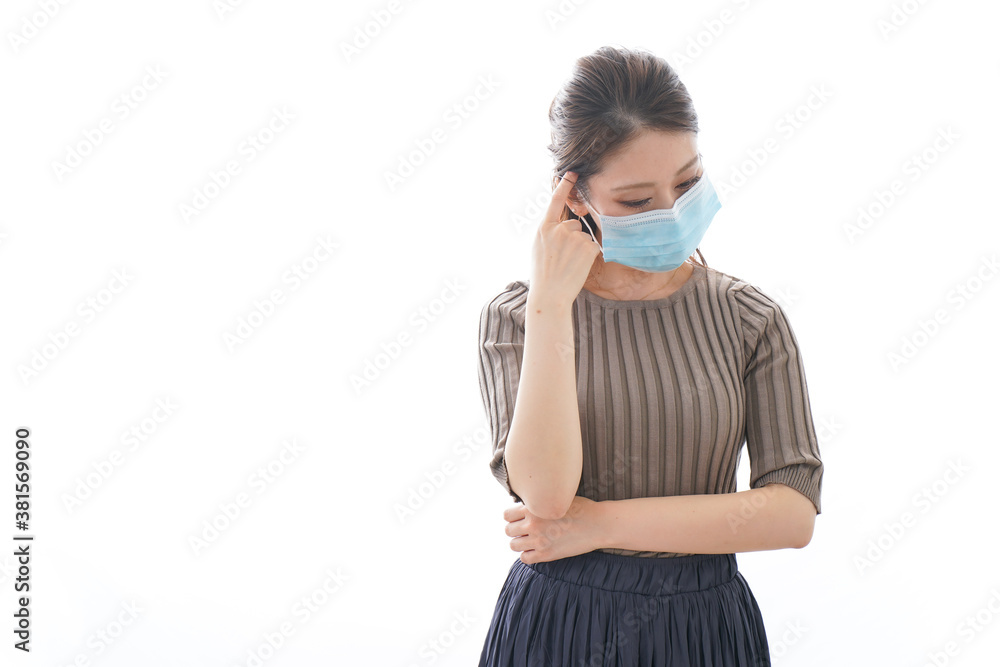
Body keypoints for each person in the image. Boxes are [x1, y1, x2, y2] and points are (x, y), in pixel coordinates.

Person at [476, 45, 824, 666]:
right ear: (574, 197)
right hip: (558, 624)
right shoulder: (519, 317)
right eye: (637, 201)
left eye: (687, 183)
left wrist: (600, 525)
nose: (672, 211)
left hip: (704, 628)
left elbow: (792, 514)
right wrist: (551, 304)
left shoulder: (750, 318)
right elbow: (547, 499)